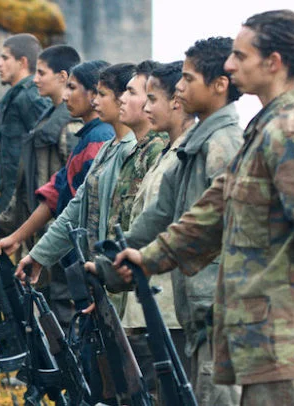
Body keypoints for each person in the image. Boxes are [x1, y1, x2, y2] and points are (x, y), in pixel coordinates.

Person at [112, 10, 294, 406]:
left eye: (240, 56)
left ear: (272, 62)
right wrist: (149, 257)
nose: (229, 64)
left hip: (285, 338)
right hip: (259, 338)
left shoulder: (290, 131)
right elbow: (213, 210)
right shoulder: (264, 130)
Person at [122, 37, 245, 405]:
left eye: (189, 79)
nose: (179, 87)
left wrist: (143, 258)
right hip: (199, 308)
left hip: (219, 309)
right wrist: (115, 257)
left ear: (219, 85)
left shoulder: (223, 145)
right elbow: (159, 214)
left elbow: (218, 226)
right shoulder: (195, 147)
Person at [91, 60, 194, 405]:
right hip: (148, 304)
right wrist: (108, 269)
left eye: (151, 98)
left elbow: (181, 230)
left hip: (169, 309)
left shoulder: (180, 156)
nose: (145, 106)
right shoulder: (165, 155)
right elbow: (144, 224)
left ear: (175, 101)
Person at [0, 60, 113, 326]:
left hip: (86, 259)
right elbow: (55, 193)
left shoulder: (98, 140)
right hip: (70, 254)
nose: (66, 96)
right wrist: (16, 237)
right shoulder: (87, 139)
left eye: (73, 88)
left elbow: (84, 210)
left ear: (93, 94)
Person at [0, 44, 83, 241]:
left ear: (62, 77)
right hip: (37, 227)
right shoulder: (45, 119)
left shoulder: (71, 126)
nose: (35, 79)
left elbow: (75, 189)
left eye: (41, 73)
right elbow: (25, 178)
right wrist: (5, 224)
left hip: (55, 233)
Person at [0, 33, 51, 230]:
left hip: (26, 210)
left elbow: (46, 151)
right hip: (13, 207)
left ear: (22, 62)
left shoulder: (30, 97)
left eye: (5, 57)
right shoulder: (17, 96)